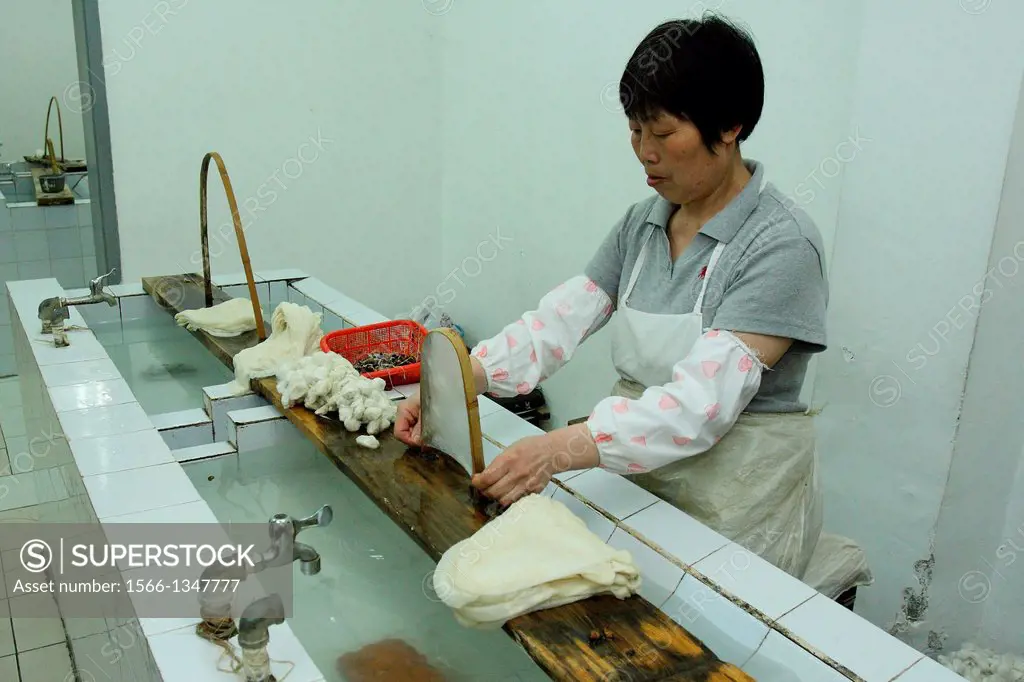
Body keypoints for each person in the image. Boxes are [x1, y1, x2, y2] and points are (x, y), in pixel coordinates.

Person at [396, 14, 830, 579]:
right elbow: (556, 323)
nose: (644, 152)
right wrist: (457, 384)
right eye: (634, 129)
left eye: (664, 133)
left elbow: (700, 407)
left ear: (729, 127)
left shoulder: (781, 246)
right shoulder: (642, 226)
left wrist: (557, 449)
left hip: (739, 497)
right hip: (637, 468)